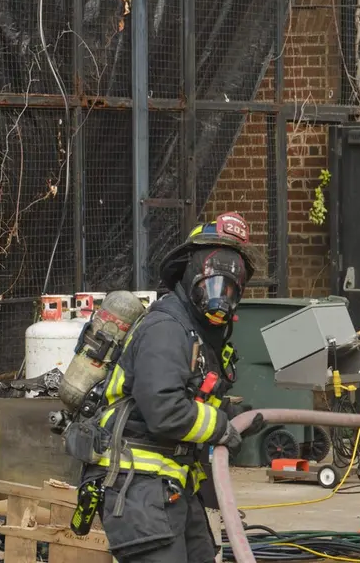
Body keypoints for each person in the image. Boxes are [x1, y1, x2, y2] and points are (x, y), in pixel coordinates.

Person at [78, 213, 266, 562]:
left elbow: (188, 397)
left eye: (229, 287)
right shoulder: (165, 328)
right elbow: (164, 410)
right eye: (213, 283)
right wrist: (221, 427)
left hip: (171, 484)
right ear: (192, 275)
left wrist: (229, 413)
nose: (219, 296)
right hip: (138, 485)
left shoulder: (196, 333)